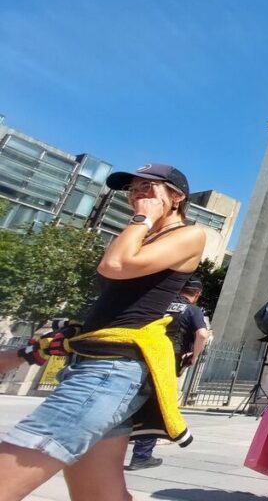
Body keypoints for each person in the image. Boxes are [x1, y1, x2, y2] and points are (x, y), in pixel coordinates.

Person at [0, 163, 206, 501]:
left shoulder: (188, 234)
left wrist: (140, 220)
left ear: (177, 197)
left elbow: (114, 266)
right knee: (99, 493)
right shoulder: (142, 236)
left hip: (111, 372)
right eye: (133, 187)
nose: (138, 192)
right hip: (93, 364)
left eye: (149, 187)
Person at [127, 276, 210, 471]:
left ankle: (109, 447)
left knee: (129, 400)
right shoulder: (192, 309)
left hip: (139, 355)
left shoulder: (159, 304)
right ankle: (141, 455)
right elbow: (202, 334)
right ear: (196, 295)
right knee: (157, 404)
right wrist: (195, 356)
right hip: (166, 359)